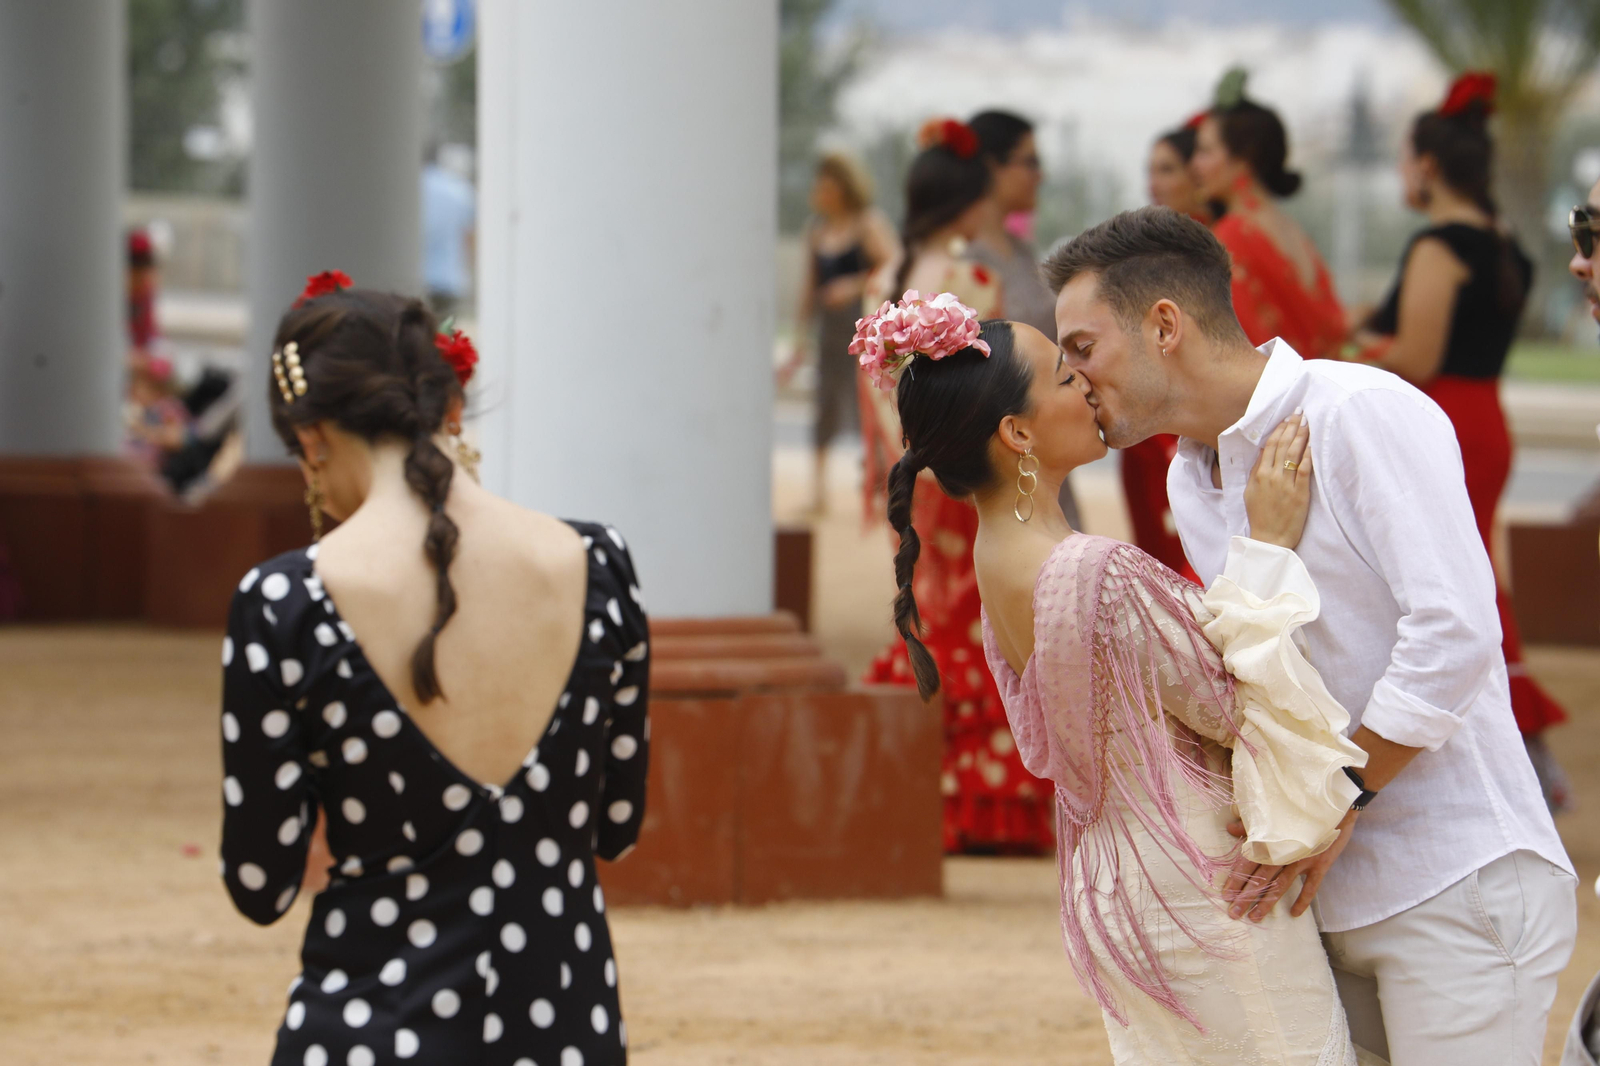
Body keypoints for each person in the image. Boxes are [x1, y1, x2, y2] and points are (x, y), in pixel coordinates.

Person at [1046, 206, 1575, 1065]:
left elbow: (1457, 633)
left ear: (1166, 326)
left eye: (1080, 347)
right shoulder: (1192, 474)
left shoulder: (1355, 410)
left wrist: (1336, 800)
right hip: (1317, 898)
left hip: (1455, 875)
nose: (1075, 379)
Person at [858, 290, 1371, 1062]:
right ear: (1017, 433)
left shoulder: (995, 558)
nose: (1089, 386)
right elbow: (1237, 705)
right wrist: (1266, 544)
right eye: (1066, 378)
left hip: (1117, 885)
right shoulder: (1091, 569)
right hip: (1202, 881)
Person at [218, 272, 649, 1065]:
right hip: (563, 1031)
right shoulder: (599, 564)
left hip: (370, 1031)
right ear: (449, 406)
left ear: (313, 437)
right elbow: (615, 827)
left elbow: (262, 883)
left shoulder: (285, 601)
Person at [1355, 72, 1571, 813]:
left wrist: (1346, 351)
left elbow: (1416, 356)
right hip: (1487, 415)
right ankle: (1517, 737)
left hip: (1443, 417)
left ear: (1427, 165)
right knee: (1473, 563)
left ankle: (1515, 741)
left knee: (1453, 572)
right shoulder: (1501, 240)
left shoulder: (1440, 245)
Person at [859, 120, 1055, 855]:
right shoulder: (972, 282)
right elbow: (994, 386)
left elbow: (878, 398)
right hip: (969, 476)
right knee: (988, 619)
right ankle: (986, 800)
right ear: (970, 204)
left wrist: (908, 458)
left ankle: (914, 791)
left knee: (927, 610)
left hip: (911, 474)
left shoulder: (882, 284)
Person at [968, 109, 1082, 530]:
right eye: (1029, 161)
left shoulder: (1020, 253)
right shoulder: (960, 267)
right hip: (1002, 467)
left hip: (1044, 455)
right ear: (990, 167)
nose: (1041, 174)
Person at [1115, 119, 1217, 579]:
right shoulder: (1150, 250)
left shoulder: (1217, 251)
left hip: (1185, 420)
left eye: (1168, 169)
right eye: (1151, 169)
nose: (1154, 183)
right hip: (1146, 420)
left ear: (1200, 174)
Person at [1192, 69, 1346, 360]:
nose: (1195, 165)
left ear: (1242, 158)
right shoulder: (1289, 227)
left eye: (1205, 152)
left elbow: (1243, 345)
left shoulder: (1232, 235)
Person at [779, 152, 898, 514]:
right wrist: (799, 338)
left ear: (844, 188)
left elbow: (894, 264)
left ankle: (880, 490)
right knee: (825, 407)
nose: (819, 192)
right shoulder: (817, 230)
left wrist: (855, 285)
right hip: (831, 334)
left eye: (827, 185)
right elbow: (808, 289)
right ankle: (818, 492)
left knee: (870, 408)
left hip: (864, 331)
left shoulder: (868, 224)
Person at [422, 143, 476, 320]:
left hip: (418, 276)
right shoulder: (459, 189)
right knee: (446, 340)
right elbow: (469, 236)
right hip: (449, 278)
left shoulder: (410, 187)